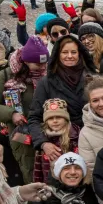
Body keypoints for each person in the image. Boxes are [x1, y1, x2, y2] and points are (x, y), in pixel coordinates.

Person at [0, 36, 49, 181]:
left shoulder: (49, 74)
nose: (43, 67)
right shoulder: (6, 76)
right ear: (26, 61)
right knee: (32, 175)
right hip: (23, 136)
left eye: (45, 63)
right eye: (38, 64)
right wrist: (11, 114)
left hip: (50, 132)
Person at [28, 35, 98, 165]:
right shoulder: (46, 83)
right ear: (58, 55)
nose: (69, 56)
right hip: (60, 146)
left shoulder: (93, 78)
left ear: (80, 54)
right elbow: (34, 118)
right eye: (65, 52)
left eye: (73, 52)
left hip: (91, 139)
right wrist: (43, 143)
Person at [33, 99, 80, 184]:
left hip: (73, 184)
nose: (55, 121)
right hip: (50, 187)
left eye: (58, 117)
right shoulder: (43, 140)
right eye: (50, 118)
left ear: (66, 119)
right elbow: (38, 168)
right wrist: (38, 186)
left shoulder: (75, 137)